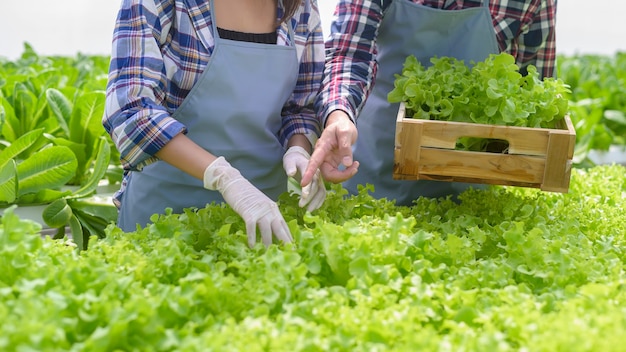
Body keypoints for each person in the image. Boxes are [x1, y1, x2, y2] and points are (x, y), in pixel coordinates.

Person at [103, 0, 327, 247]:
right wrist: (225, 178)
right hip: (165, 212)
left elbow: (299, 107)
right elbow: (131, 111)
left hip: (264, 217)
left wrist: (299, 148)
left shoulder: (301, 6)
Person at [302, 0, 557, 206]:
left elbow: (530, 95)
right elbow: (350, 53)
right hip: (370, 172)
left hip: (472, 195)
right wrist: (339, 114)